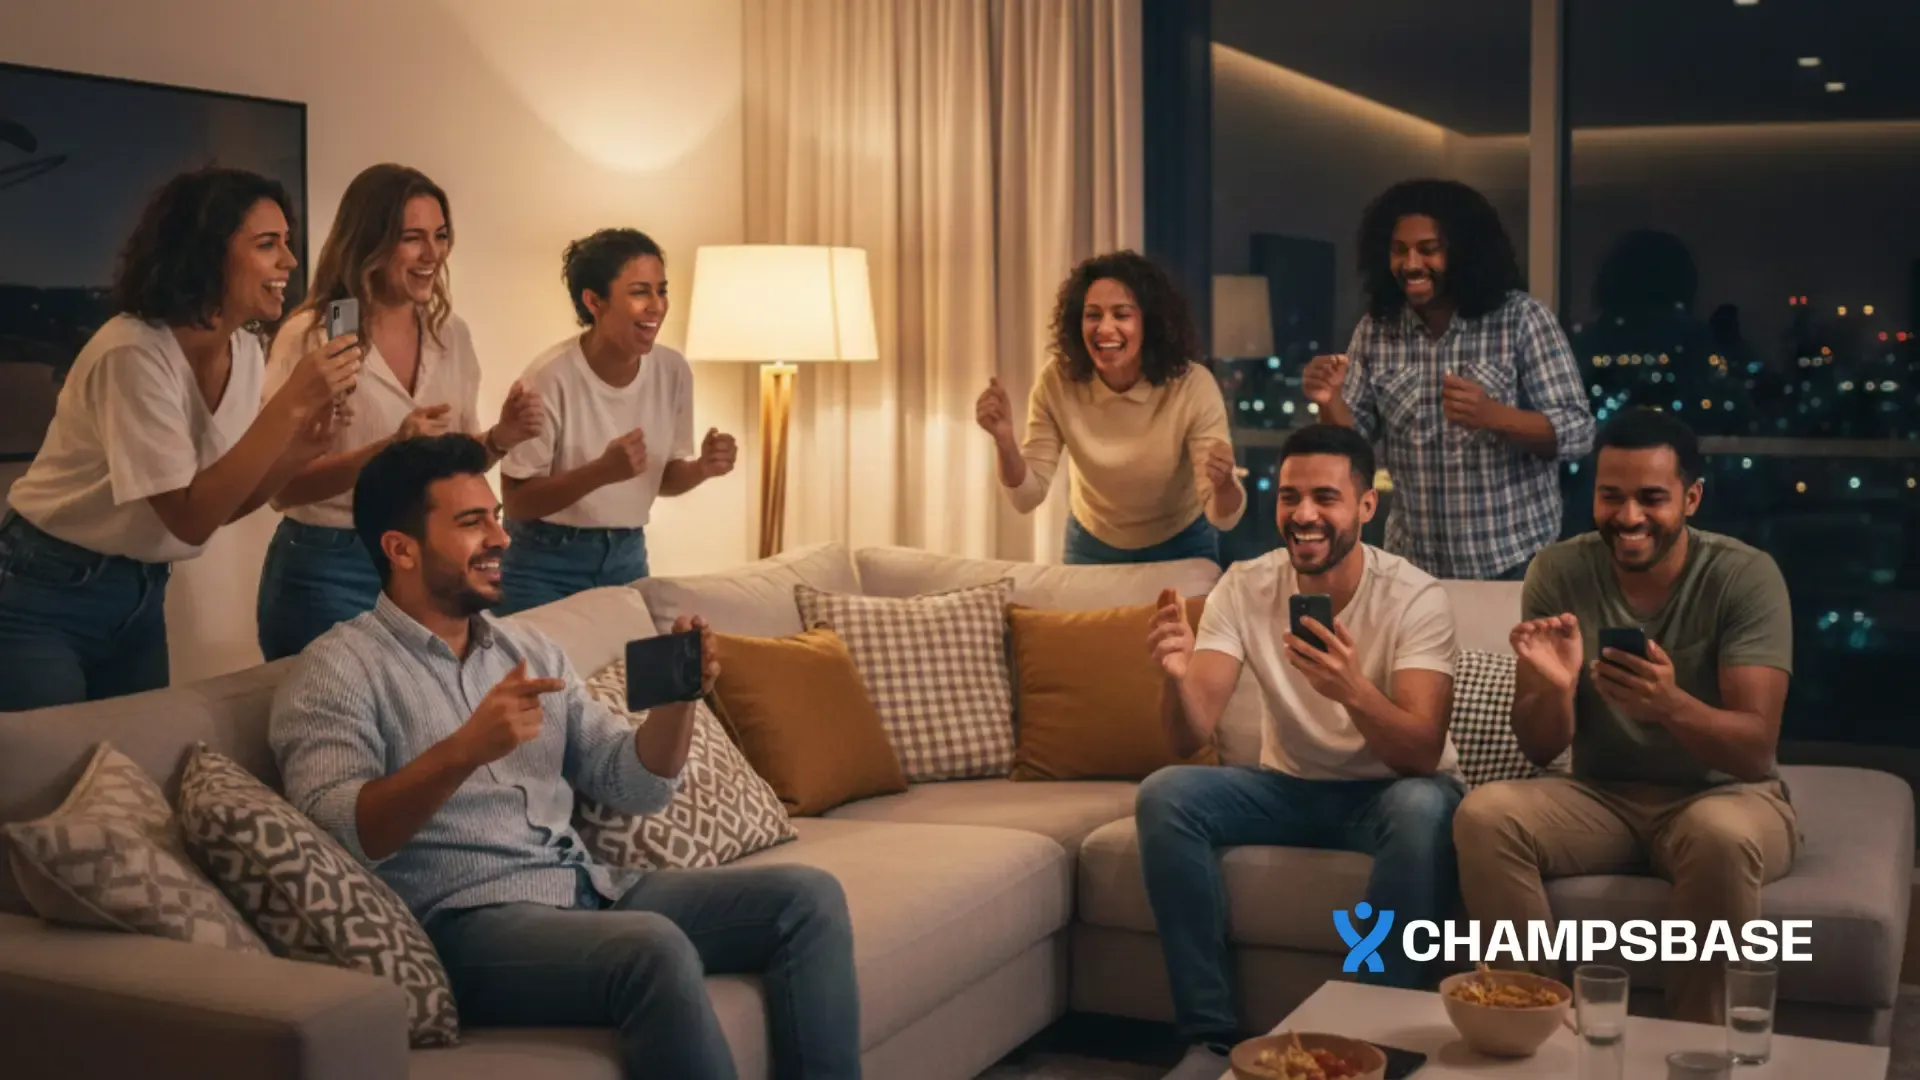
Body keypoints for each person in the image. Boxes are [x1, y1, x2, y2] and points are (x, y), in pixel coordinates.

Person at [269, 434, 858, 1078]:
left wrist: (678, 701)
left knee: (807, 898)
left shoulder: (529, 649)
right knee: (651, 948)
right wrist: (465, 751)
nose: (500, 537)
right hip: (465, 927)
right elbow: (342, 836)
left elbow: (633, 785)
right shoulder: (338, 668)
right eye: (472, 522)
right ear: (400, 548)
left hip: (587, 891)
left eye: (495, 516)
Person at [1137, 423, 1464, 1080]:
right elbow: (1186, 736)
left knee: (1425, 810)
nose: (1304, 515)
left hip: (1393, 792)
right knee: (1166, 794)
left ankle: (1356, 1037)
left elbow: (1422, 752)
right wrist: (1174, 682)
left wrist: (1350, 690)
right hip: (1287, 788)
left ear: (1366, 506)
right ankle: (1209, 1040)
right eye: (1290, 497)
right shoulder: (1245, 585)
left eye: (1324, 497)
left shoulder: (1415, 596)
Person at [1453, 409, 1795, 1025]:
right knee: (1484, 814)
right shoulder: (1559, 570)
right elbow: (1538, 748)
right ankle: (1535, 1028)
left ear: (1690, 498)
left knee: (1720, 835)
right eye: (1612, 496)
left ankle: (1695, 1052)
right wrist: (1555, 690)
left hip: (1729, 796)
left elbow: (1754, 748)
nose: (1629, 517)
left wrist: (1670, 705)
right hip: (1601, 798)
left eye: (1651, 498)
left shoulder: (1743, 576)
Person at [0, 167, 360, 711]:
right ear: (208, 252)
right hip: (44, 591)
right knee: (47, 781)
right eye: (268, 244)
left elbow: (223, 505)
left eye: (287, 244)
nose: (290, 262)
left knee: (129, 767)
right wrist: (286, 406)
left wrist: (298, 451)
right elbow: (188, 516)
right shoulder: (133, 353)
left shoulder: (244, 352)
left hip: (142, 593)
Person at [255, 163, 545, 660]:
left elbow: (454, 469)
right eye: (412, 238)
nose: (432, 254)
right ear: (370, 242)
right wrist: (388, 450)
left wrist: (500, 438)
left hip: (424, 564)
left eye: (440, 235)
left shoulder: (450, 335)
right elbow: (281, 490)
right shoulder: (312, 335)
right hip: (327, 566)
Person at [1304, 179, 1595, 581]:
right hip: (1413, 567)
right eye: (1399, 250)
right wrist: (1328, 398)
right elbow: (1350, 450)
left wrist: (1493, 415)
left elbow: (1578, 433)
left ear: (1464, 253)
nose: (1411, 264)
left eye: (1428, 249)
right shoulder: (1375, 331)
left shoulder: (1521, 320)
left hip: (1516, 561)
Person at [496, 229, 736, 614]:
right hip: (542, 562)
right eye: (640, 292)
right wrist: (601, 472)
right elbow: (517, 501)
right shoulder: (548, 378)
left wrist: (702, 468)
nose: (656, 306)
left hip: (627, 555)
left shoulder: (672, 370)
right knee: (547, 675)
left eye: (662, 290)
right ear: (595, 301)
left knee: (627, 674)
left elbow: (663, 479)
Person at [974, 250, 1244, 565]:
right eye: (1093, 315)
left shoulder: (1192, 385)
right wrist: (1004, 441)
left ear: (1149, 323)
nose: (1104, 328)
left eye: (1121, 314)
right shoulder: (1056, 381)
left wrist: (1224, 483)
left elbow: (1223, 517)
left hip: (1181, 542)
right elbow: (1026, 497)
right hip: (1091, 543)